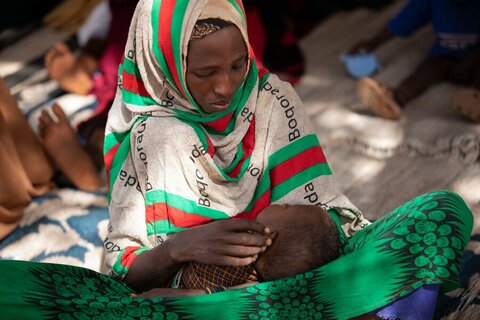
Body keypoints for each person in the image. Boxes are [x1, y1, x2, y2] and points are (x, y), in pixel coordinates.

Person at [102, 0, 473, 318]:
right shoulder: (152, 135)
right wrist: (179, 247)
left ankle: (235, 307)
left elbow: (325, 219)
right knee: (68, 295)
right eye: (205, 73)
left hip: (305, 270)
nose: (226, 87)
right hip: (197, 280)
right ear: (163, 64)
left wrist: (305, 240)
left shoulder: (271, 97)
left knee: (443, 212)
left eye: (237, 64)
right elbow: (127, 272)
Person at [131, 204, 341, 297]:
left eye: (286, 206)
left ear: (270, 237)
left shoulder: (251, 288)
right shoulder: (253, 280)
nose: (281, 203)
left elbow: (209, 297)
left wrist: (173, 296)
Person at [40, 0, 138, 190]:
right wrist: (77, 73)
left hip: (154, 79)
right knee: (111, 120)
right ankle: (91, 163)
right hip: (120, 82)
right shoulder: (113, 9)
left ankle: (94, 161)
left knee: (115, 121)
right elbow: (95, 50)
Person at [349, 0, 480, 121]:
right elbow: (405, 19)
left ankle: (475, 100)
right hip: (444, 57)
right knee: (427, 70)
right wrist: (373, 43)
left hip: (474, 59)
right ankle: (394, 100)